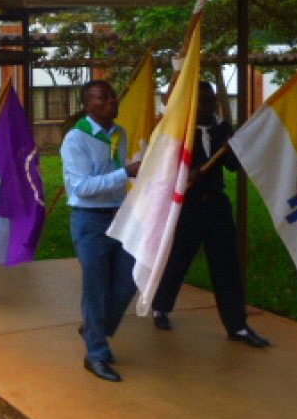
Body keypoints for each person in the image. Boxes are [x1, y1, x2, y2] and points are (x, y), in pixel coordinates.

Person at [151, 82, 270, 348]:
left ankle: (237, 326)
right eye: (203, 100)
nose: (209, 104)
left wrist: (236, 148)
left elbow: (232, 166)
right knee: (178, 260)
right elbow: (161, 167)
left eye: (212, 99)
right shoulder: (178, 131)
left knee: (227, 266)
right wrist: (185, 174)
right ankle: (161, 306)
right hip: (186, 207)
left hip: (216, 205)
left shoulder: (222, 128)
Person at [61, 79, 142, 383]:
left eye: (112, 96)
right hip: (90, 221)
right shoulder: (76, 139)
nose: (112, 101)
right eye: (103, 98)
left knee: (128, 278)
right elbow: (81, 187)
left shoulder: (119, 133)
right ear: (88, 104)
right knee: (95, 286)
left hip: (120, 217)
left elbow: (117, 180)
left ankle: (96, 327)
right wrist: (125, 173)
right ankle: (96, 354)